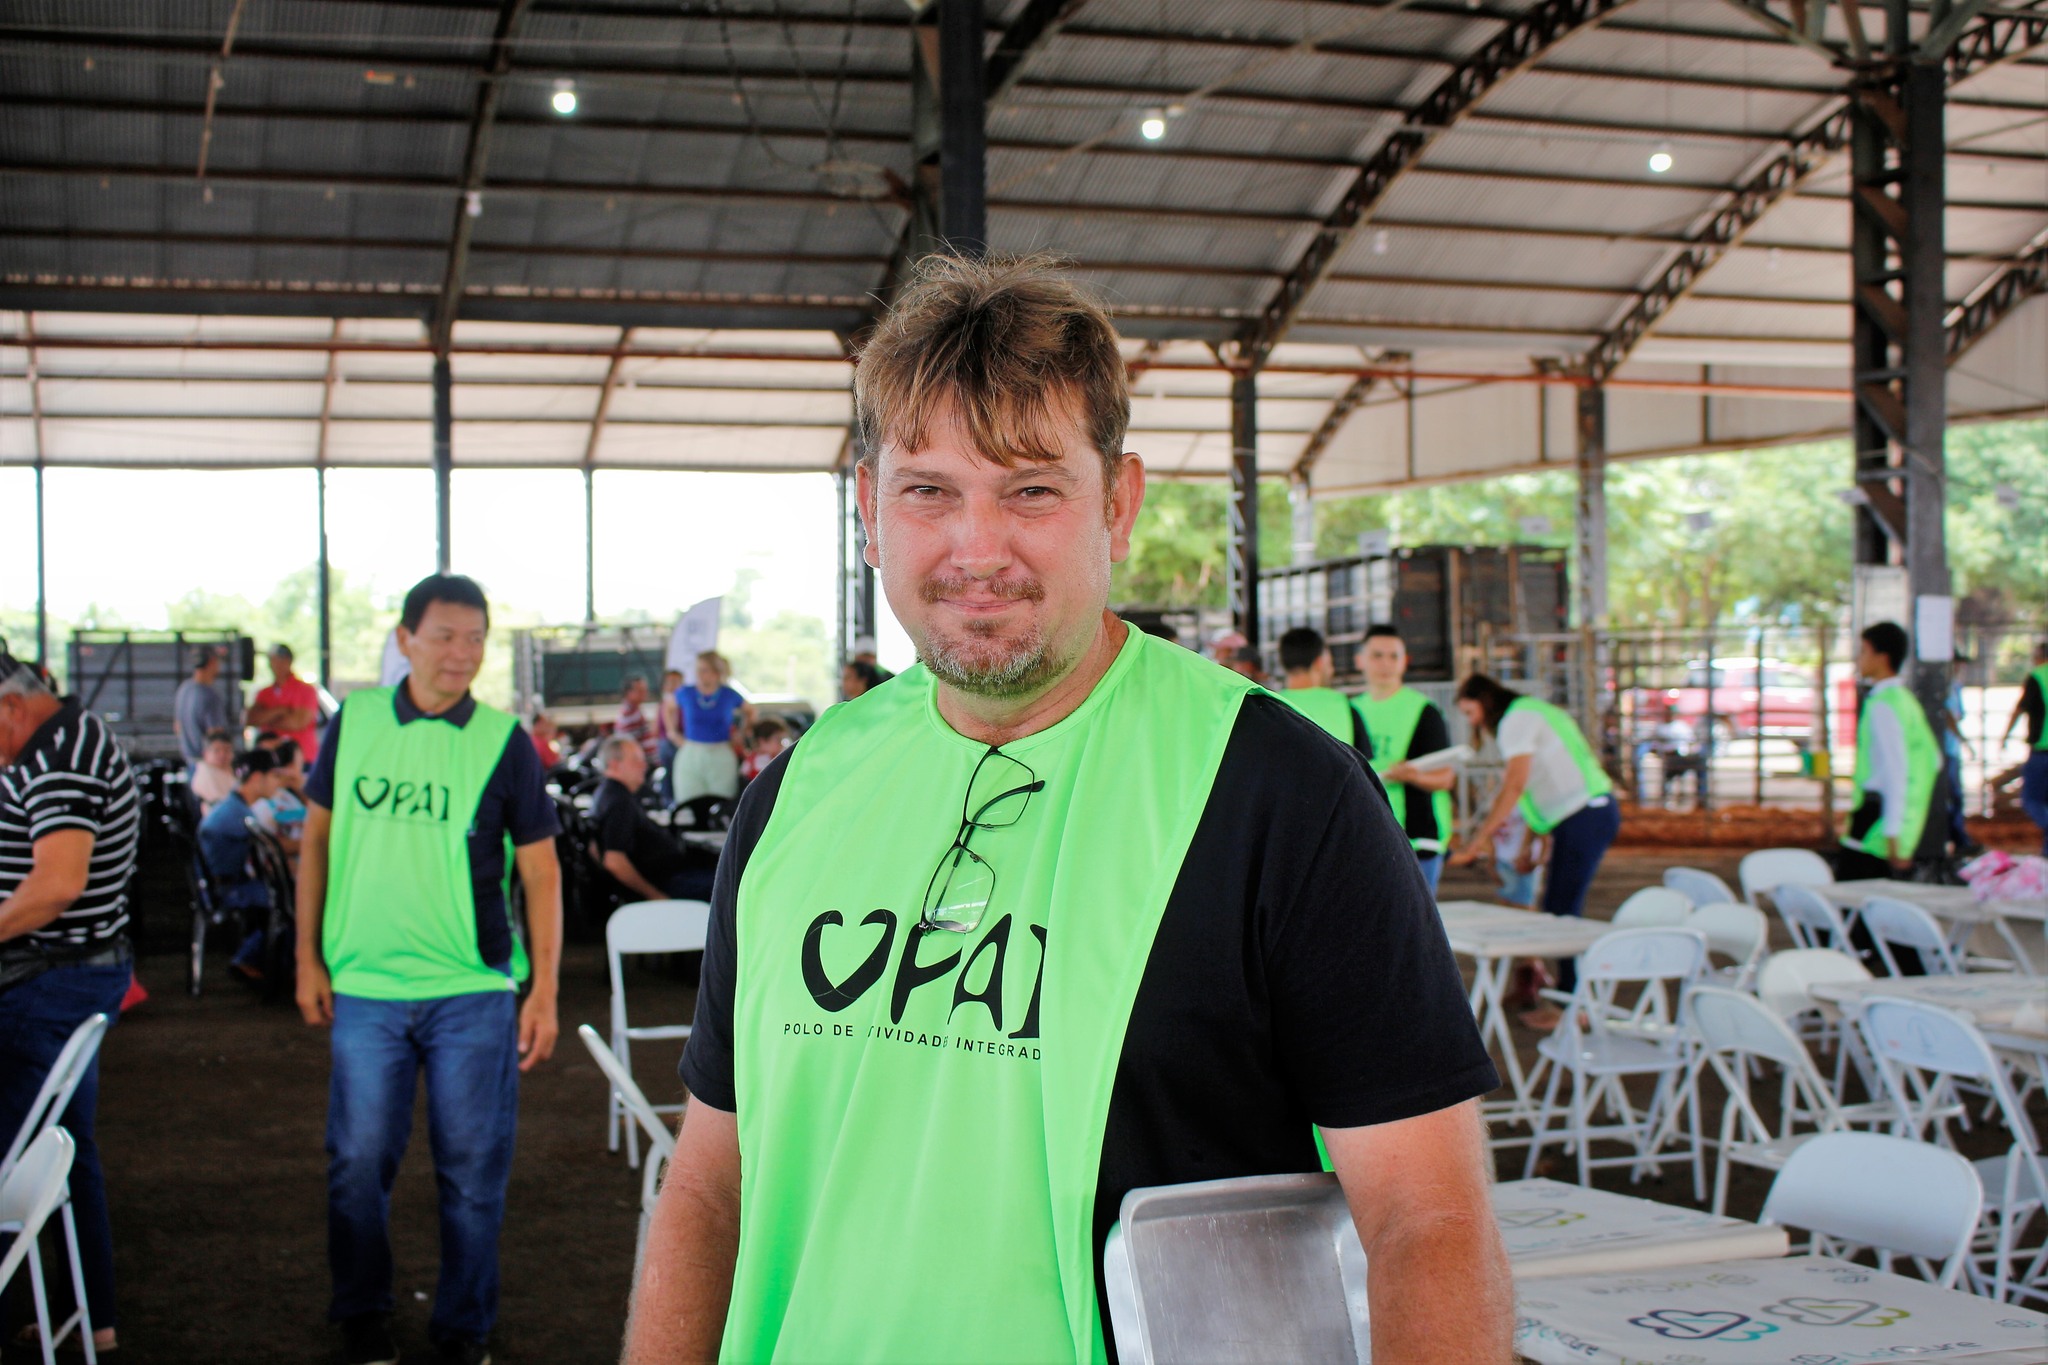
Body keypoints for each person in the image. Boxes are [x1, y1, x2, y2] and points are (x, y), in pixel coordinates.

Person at [622, 254, 1510, 1365]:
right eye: (928, 491)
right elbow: (712, 1184)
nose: (977, 548)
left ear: (1118, 503)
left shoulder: (1280, 796)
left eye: (1032, 489)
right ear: (869, 510)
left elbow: (1427, 1219)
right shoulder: (796, 793)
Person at [294, 574, 563, 1365]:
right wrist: (306, 957)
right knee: (356, 1165)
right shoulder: (355, 721)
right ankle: (362, 1311)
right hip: (366, 985)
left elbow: (542, 873)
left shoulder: (504, 741)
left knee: (474, 1172)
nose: (461, 653)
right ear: (405, 638)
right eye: (445, 635)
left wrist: (545, 989)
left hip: (472, 990)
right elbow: (316, 840)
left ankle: (463, 1328)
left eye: (476, 638)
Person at [0, 647, 139, 1357]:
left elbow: (57, 884)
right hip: (67, 975)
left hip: (46, 981)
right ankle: (93, 1318)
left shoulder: (60, 758)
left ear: (10, 706)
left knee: (31, 1150)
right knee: (63, 1147)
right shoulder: (62, 739)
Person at [1448, 674, 1618, 1011]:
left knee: (1563, 912)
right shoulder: (1533, 712)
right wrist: (1534, 840)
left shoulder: (1516, 721)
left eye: (1470, 712)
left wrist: (1477, 840)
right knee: (1558, 907)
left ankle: (1575, 1005)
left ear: (1484, 702)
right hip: (1580, 815)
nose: (1473, 722)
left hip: (1584, 814)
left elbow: (1515, 786)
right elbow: (1540, 787)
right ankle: (1565, 994)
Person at [1354, 626, 1456, 896]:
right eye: (1377, 655)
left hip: (1417, 837)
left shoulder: (1424, 711)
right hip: (1370, 835)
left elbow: (1445, 777)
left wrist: (1412, 775)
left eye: (1393, 656)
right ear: (1360, 660)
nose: (1386, 664)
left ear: (1404, 661)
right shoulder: (1352, 709)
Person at [1838, 621, 1941, 883]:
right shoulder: (1904, 701)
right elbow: (1933, 760)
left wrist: (1893, 835)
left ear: (1882, 657)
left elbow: (1896, 772)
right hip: (1885, 822)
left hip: (1876, 823)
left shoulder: (1884, 706)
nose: (1859, 659)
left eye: (1864, 651)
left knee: (1853, 896)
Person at [590, 736, 714, 904]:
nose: (644, 766)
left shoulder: (609, 793)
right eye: (636, 760)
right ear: (614, 765)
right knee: (730, 886)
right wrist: (655, 896)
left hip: (673, 875)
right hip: (668, 884)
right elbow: (614, 861)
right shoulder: (618, 801)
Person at [199, 746, 286, 983]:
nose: (279, 783)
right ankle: (250, 960)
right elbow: (273, 848)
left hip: (222, 883)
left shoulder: (234, 807)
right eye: (275, 776)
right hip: (226, 889)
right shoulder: (238, 814)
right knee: (287, 901)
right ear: (257, 778)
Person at [1272, 626, 1372, 757]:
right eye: (1330, 664)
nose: (1332, 671)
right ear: (1319, 663)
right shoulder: (1347, 710)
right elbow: (1364, 765)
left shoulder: (1268, 707)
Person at [670, 652, 752, 807]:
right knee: (689, 801)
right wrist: (672, 733)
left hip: (721, 752)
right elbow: (668, 707)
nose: (699, 675)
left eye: (704, 670)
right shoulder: (686, 692)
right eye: (698, 670)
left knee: (721, 801)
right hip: (692, 752)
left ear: (716, 672)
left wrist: (741, 733)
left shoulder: (728, 694)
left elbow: (750, 710)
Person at [2002, 641, 2047, 856]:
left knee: (2030, 799)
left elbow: (2020, 708)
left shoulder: (2037, 676)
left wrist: (2005, 735)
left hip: (2042, 750)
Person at [248, 643, 322, 767]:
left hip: (302, 759)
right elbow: (251, 719)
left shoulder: (306, 690)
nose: (274, 664)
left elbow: (297, 722)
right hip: (271, 760)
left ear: (288, 661)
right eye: (272, 660)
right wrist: (281, 710)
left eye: (278, 659)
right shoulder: (264, 693)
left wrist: (267, 718)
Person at [1938, 654, 1982, 857]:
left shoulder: (1955, 687)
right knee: (1953, 796)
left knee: (1955, 797)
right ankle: (1958, 840)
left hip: (1951, 749)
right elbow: (1948, 716)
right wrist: (1965, 741)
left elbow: (1957, 714)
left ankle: (1958, 839)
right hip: (1946, 749)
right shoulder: (1945, 687)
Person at [173, 645, 228, 774]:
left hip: (190, 763)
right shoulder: (209, 695)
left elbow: (177, 727)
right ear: (212, 662)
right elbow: (216, 736)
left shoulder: (184, 689)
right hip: (209, 767)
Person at [614, 675, 660, 766]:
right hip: (642, 764)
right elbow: (629, 745)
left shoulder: (634, 710)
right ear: (628, 692)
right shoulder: (629, 714)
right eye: (639, 690)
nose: (644, 693)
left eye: (645, 690)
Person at [189, 728, 237, 814]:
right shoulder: (205, 772)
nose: (222, 755)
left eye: (227, 750)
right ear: (205, 754)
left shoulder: (231, 770)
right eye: (217, 750)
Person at [656, 669, 685, 804]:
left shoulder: (682, 704)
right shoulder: (667, 704)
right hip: (670, 744)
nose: (675, 685)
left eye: (678, 682)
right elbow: (670, 732)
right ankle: (669, 800)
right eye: (672, 682)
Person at [739, 717, 791, 783]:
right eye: (777, 739)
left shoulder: (782, 760)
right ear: (762, 741)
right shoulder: (749, 764)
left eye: (782, 739)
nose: (781, 744)